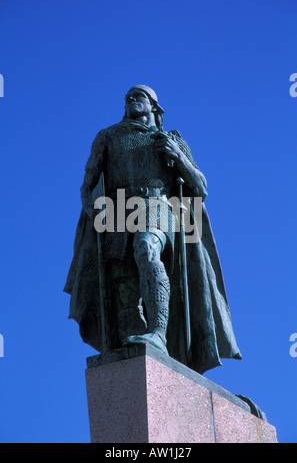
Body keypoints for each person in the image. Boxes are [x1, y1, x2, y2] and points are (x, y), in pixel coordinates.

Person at [64, 85, 241, 374]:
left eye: (139, 96)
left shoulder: (171, 139)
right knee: (124, 283)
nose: (132, 99)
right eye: (128, 97)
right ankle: (133, 347)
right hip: (119, 209)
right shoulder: (107, 136)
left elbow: (201, 188)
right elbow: (88, 183)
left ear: (155, 107)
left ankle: (159, 332)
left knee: (146, 248)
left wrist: (178, 157)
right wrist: (95, 209)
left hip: (156, 204)